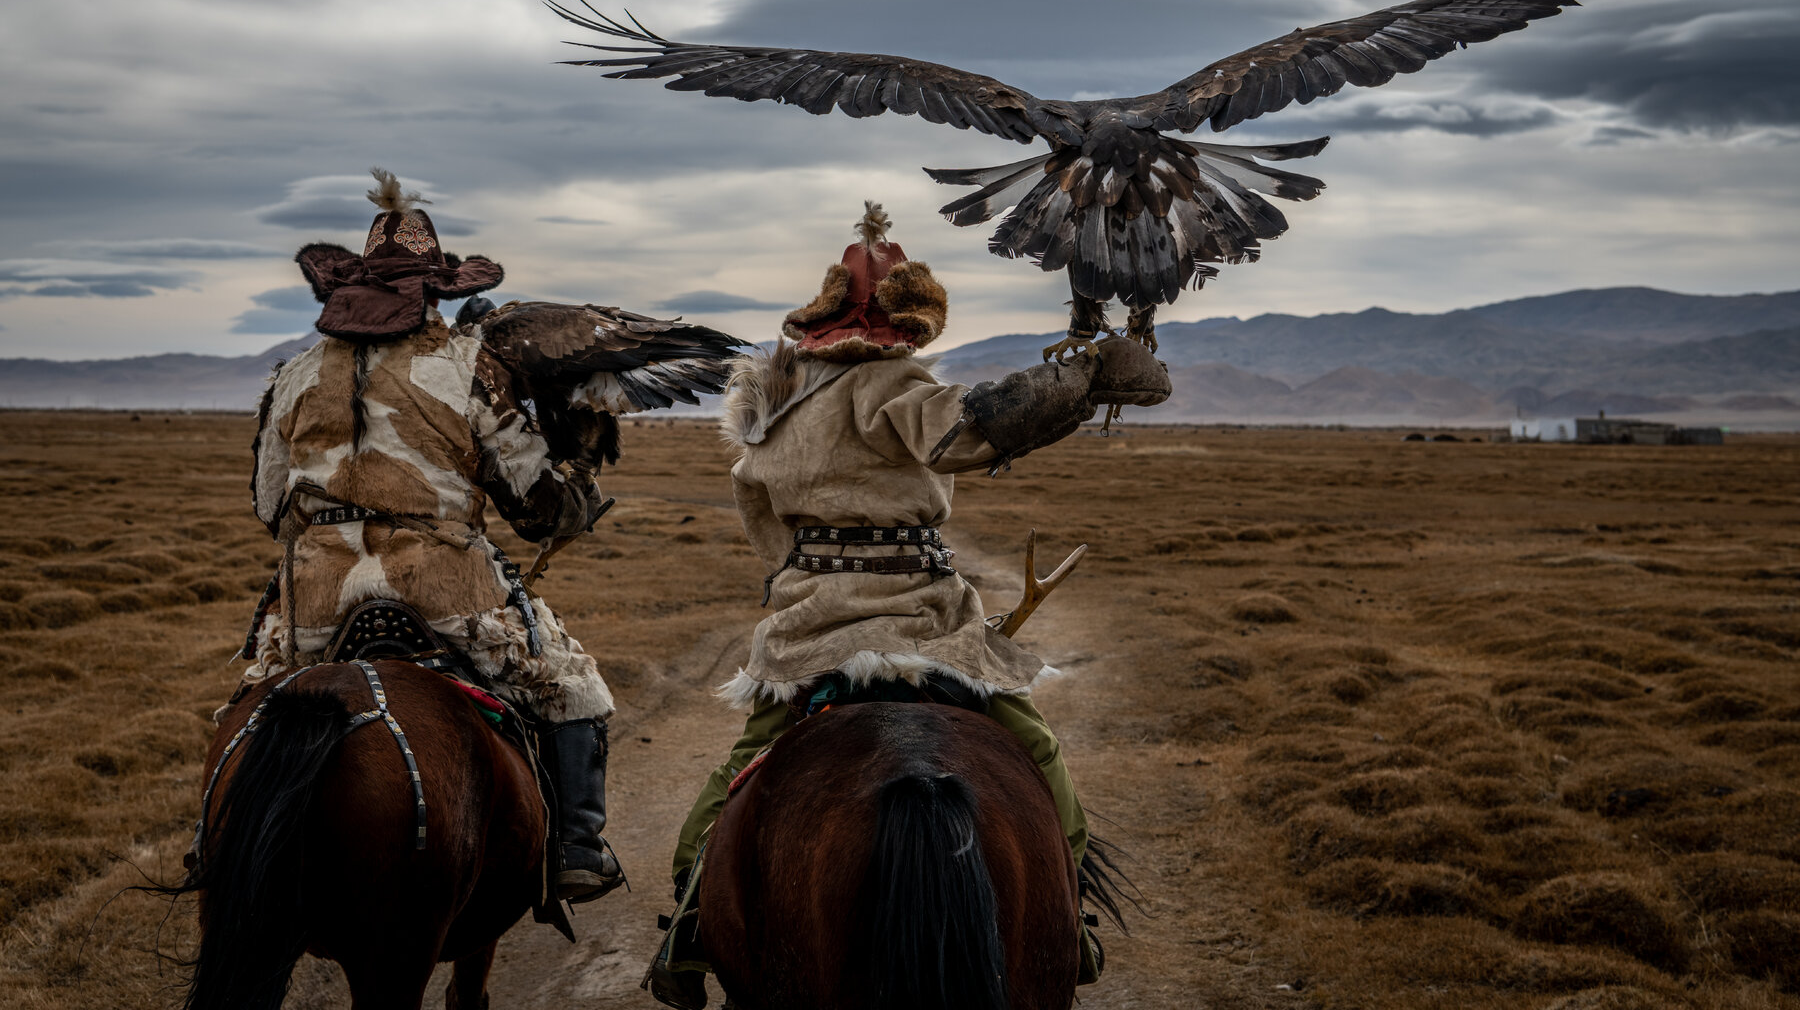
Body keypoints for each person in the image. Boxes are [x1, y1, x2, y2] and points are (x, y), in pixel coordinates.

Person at [646, 203, 1168, 1006]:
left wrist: (806, 577)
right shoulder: (899, 382)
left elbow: (758, 516)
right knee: (1037, 751)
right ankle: (1073, 925)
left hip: (810, 628)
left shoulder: (770, 411)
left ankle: (688, 927)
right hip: (929, 624)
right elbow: (970, 433)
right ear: (907, 323)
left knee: (738, 773)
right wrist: (1080, 378)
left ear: (823, 320)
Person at [229, 169, 622, 906]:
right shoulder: (470, 367)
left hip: (313, 600)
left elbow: (271, 508)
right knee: (574, 686)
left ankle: (211, 844)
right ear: (432, 292)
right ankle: (577, 846)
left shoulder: (291, 376)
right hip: (445, 587)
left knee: (249, 708)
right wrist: (578, 488)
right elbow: (535, 507)